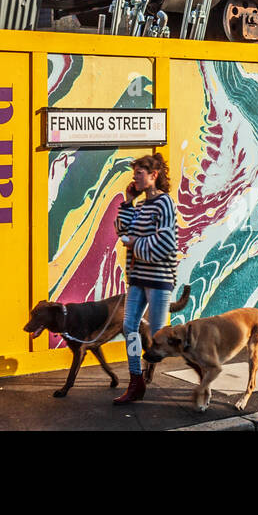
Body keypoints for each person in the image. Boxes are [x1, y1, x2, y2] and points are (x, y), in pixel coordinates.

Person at [113, 152, 179, 405]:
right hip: (138, 277)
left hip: (159, 277)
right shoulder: (140, 205)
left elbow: (167, 242)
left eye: (139, 174)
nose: (134, 178)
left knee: (156, 337)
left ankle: (199, 362)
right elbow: (123, 230)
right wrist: (128, 202)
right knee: (129, 327)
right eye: (134, 174)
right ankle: (135, 380)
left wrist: (135, 244)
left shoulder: (165, 203)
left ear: (153, 175)